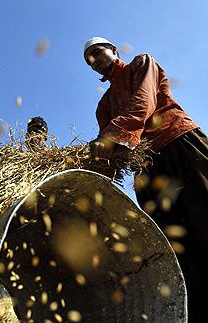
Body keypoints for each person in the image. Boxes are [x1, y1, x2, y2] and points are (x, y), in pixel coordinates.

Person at [83, 36, 208, 321]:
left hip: (177, 142)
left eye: (98, 52)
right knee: (174, 242)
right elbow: (110, 149)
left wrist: (109, 137)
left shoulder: (141, 63)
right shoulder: (104, 106)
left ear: (113, 50)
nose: (95, 60)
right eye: (89, 59)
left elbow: (143, 103)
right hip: (147, 166)